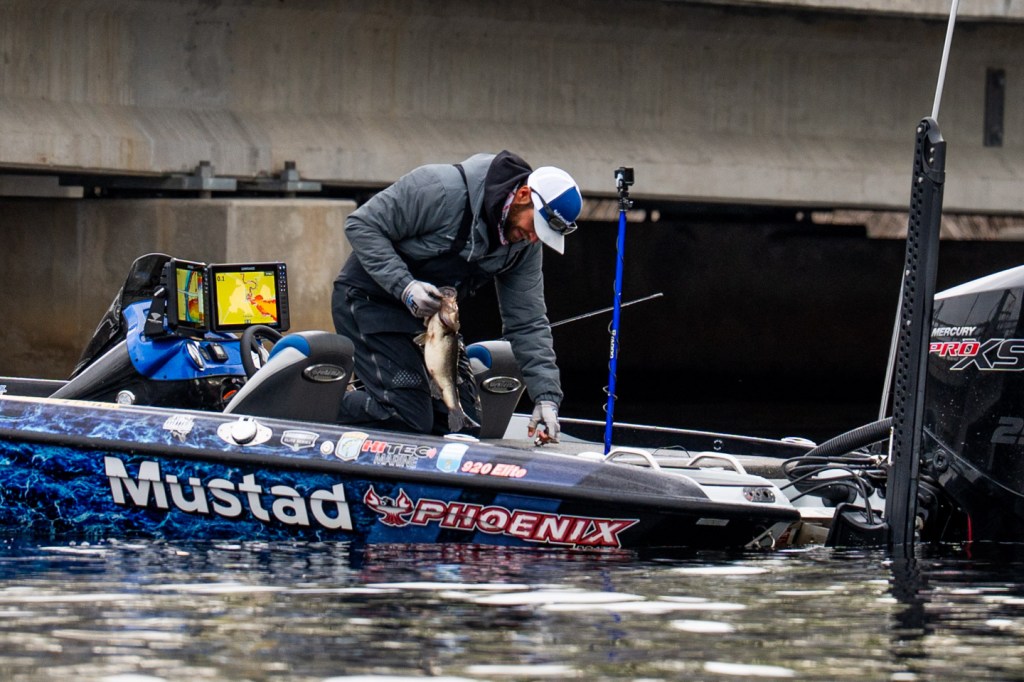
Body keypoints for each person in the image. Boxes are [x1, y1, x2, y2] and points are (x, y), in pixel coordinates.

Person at [331, 150, 583, 443]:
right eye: (536, 226)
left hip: (434, 325)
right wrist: (406, 286)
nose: (534, 238)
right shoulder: (439, 189)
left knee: (463, 426)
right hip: (369, 301)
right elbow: (361, 224)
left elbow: (528, 322)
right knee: (407, 416)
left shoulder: (523, 246)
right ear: (523, 195)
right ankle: (308, 405)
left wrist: (546, 396)